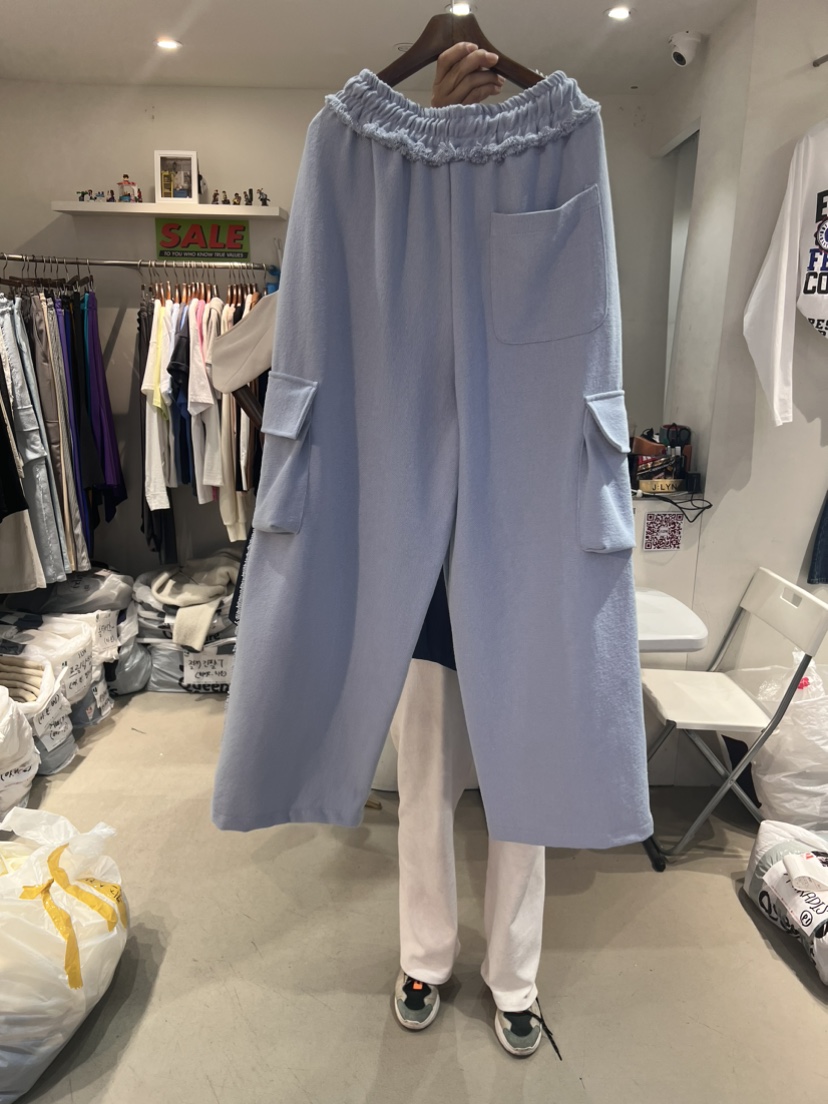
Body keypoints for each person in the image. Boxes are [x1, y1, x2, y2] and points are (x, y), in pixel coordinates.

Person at [391, 42, 551, 1060]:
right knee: (425, 777)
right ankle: (425, 954)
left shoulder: (555, 190)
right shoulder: (401, 210)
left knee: (525, 781)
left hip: (522, 548)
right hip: (424, 558)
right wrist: (436, 142)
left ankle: (517, 976)